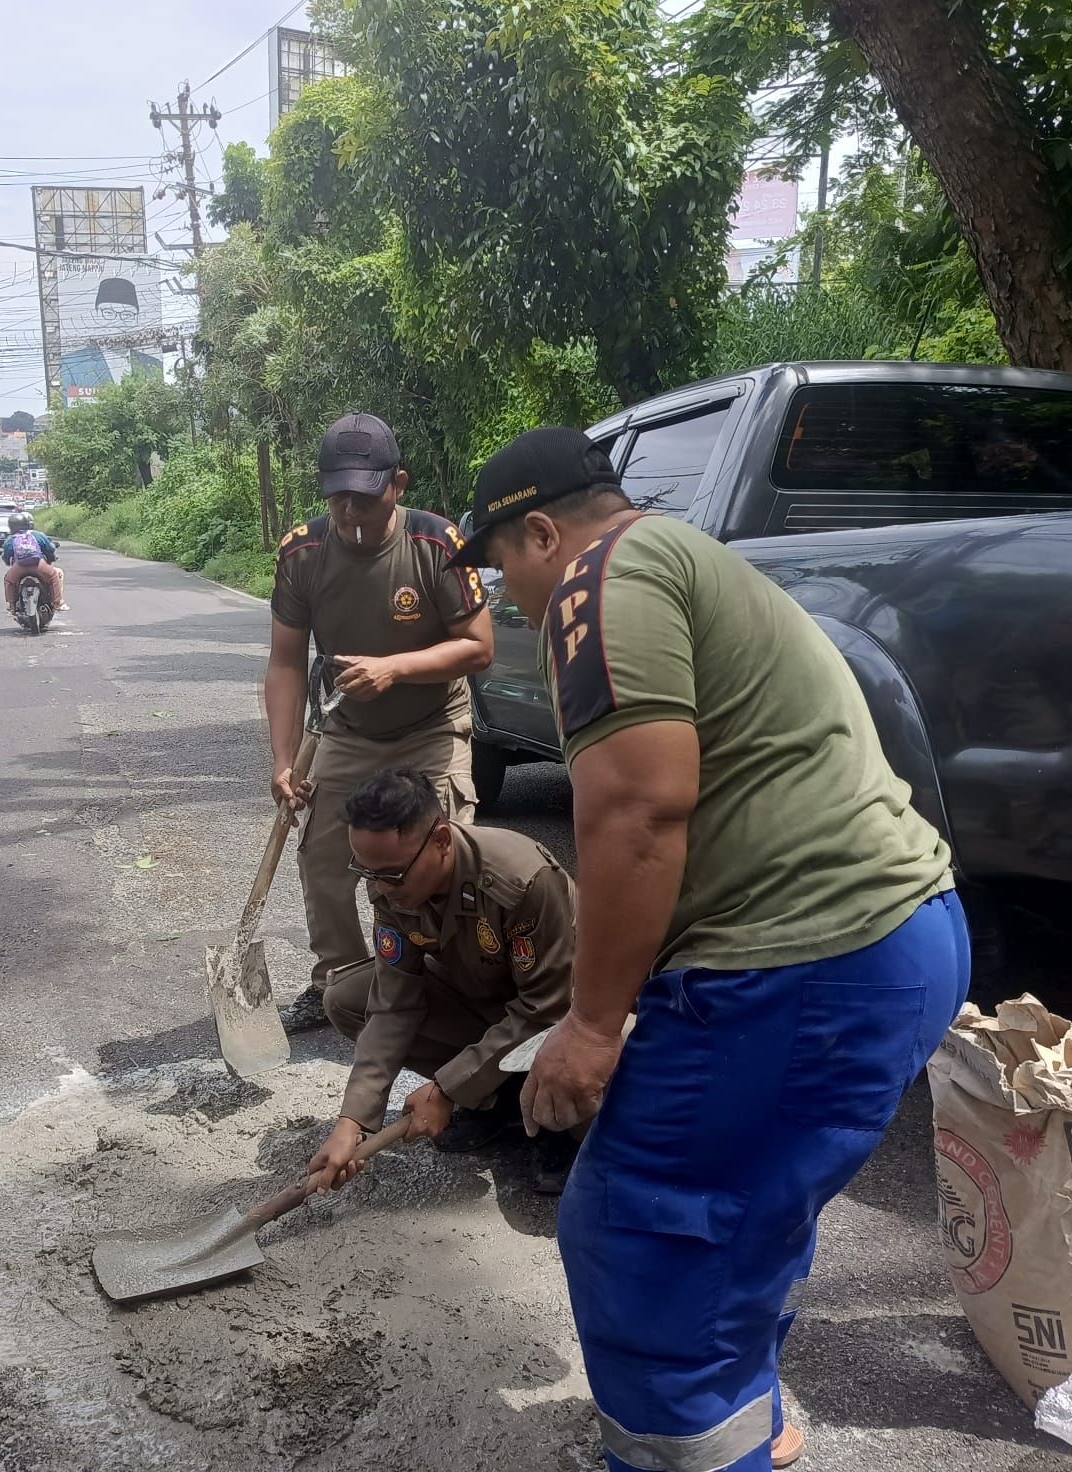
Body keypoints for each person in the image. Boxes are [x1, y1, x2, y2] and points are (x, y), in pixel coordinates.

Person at [448, 427, 969, 1472]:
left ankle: (700, 1442)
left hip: (803, 968)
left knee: (640, 1242)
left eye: (501, 563)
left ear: (542, 532)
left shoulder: (600, 578)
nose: (507, 595)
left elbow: (636, 811)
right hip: (897, 937)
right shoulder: (695, 559)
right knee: (741, 1216)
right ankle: (747, 1418)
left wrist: (593, 1026)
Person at [268, 413, 493, 1034]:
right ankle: (339, 981)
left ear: (398, 483)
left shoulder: (439, 544)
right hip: (347, 727)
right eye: (337, 497)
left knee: (444, 853)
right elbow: (285, 662)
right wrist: (283, 761)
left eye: (364, 497)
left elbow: (478, 647)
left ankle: (449, 979)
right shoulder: (302, 552)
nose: (349, 512)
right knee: (322, 855)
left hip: (432, 723)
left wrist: (395, 669)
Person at [309, 768, 578, 1194]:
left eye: (391, 874)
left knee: (590, 1095)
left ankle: (552, 1121)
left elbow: (546, 1008)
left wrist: (448, 1088)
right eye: (367, 871)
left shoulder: (521, 881)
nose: (379, 887)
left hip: (562, 1020)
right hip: (490, 1007)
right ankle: (498, 1100)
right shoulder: (391, 882)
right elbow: (394, 1003)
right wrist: (353, 1121)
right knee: (347, 999)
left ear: (441, 841)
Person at [1, 512, 66, 611]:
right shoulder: (37, 535)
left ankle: (12, 605)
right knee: (54, 577)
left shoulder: (10, 540)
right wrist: (51, 558)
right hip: (38, 565)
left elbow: (6, 556)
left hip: (19, 567)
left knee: (9, 580)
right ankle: (57, 603)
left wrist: (8, 563)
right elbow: (50, 549)